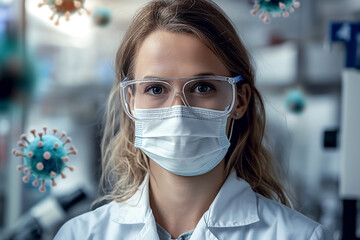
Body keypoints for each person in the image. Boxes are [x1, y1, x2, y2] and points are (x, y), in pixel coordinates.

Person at [54, 0, 333, 239]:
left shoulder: (298, 236)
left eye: (202, 87)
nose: (179, 111)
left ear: (240, 100)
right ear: (131, 101)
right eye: (156, 89)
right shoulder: (80, 235)